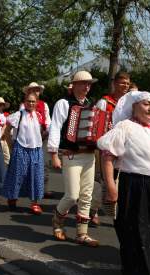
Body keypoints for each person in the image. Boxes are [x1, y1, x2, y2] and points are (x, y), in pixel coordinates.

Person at [98, 91, 150, 275]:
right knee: (138, 232)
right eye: (146, 104)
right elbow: (108, 157)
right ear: (134, 107)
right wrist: (111, 186)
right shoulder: (125, 127)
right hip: (135, 186)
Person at [48, 70, 106, 247]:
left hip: (89, 155)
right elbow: (56, 127)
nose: (87, 86)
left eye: (89, 84)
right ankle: (57, 221)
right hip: (70, 154)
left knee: (86, 195)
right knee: (73, 195)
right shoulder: (63, 103)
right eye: (83, 83)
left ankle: (82, 233)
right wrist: (53, 153)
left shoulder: (92, 105)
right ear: (73, 85)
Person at [90, 71, 131, 226]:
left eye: (127, 83)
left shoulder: (129, 104)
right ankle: (92, 211)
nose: (125, 86)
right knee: (101, 183)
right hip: (105, 149)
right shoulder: (104, 102)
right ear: (115, 83)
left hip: (123, 149)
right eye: (122, 82)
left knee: (120, 182)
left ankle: (117, 214)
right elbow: (95, 126)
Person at [3, 92, 45, 214]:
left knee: (36, 176)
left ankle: (34, 203)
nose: (31, 103)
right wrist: (11, 145)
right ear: (24, 102)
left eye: (33, 101)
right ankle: (12, 198)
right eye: (28, 101)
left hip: (36, 149)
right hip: (21, 148)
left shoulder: (39, 115)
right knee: (17, 175)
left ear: (37, 103)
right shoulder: (18, 115)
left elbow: (40, 131)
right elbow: (7, 131)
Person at [21, 82, 52, 196]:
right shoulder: (23, 106)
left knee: (44, 164)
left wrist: (47, 132)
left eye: (37, 90)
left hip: (42, 137)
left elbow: (48, 121)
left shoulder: (44, 105)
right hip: (28, 140)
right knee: (26, 164)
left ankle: (44, 188)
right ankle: (26, 187)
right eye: (33, 89)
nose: (35, 92)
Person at [0, 97, 12, 166]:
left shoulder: (7, 115)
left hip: (5, 139)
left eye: (1, 105)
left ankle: (7, 174)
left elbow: (10, 127)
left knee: (8, 158)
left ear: (3, 106)